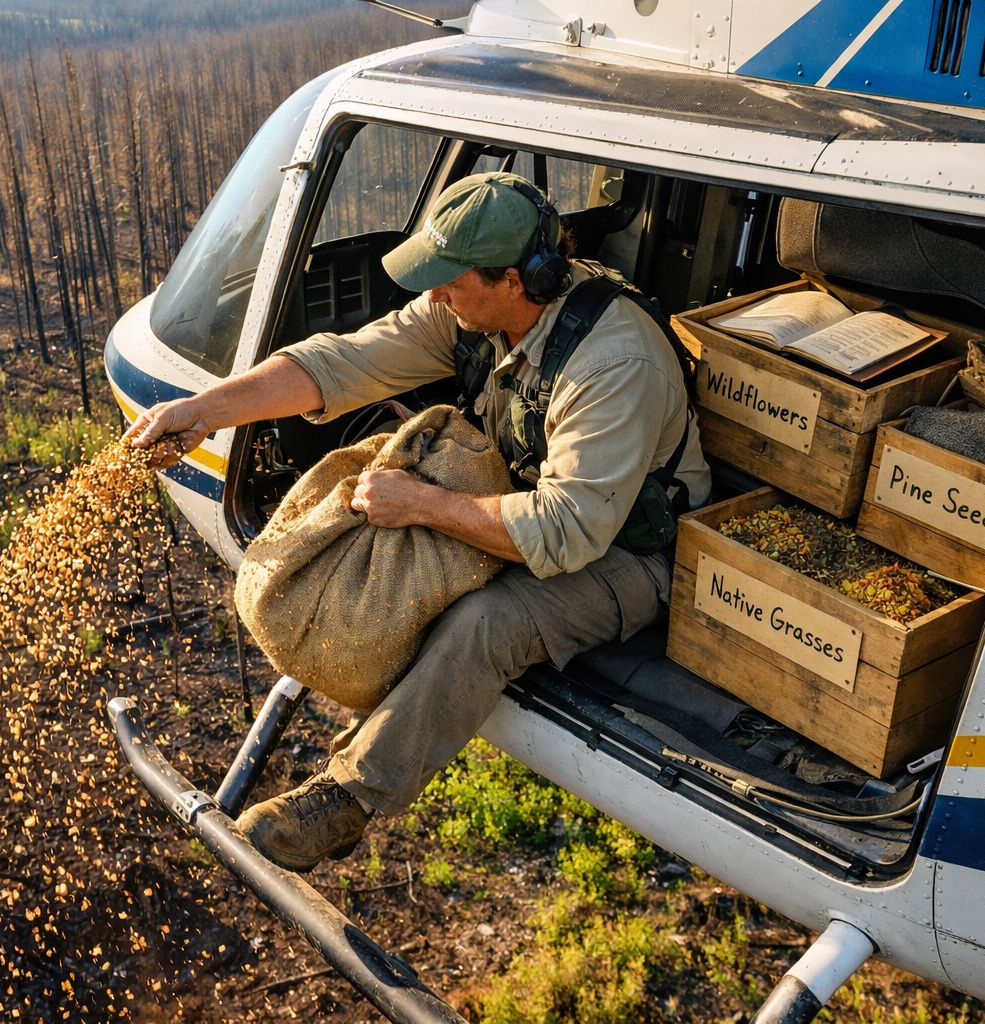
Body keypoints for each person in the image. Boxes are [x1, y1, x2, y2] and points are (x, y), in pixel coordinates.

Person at [124, 171, 710, 872]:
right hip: (527, 501)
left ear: (518, 281)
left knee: (488, 620)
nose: (433, 294)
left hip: (626, 553)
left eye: (449, 280)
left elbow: (567, 531)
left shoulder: (613, 363)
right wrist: (209, 410)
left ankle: (351, 796)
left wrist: (425, 505)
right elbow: (346, 361)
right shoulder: (469, 313)